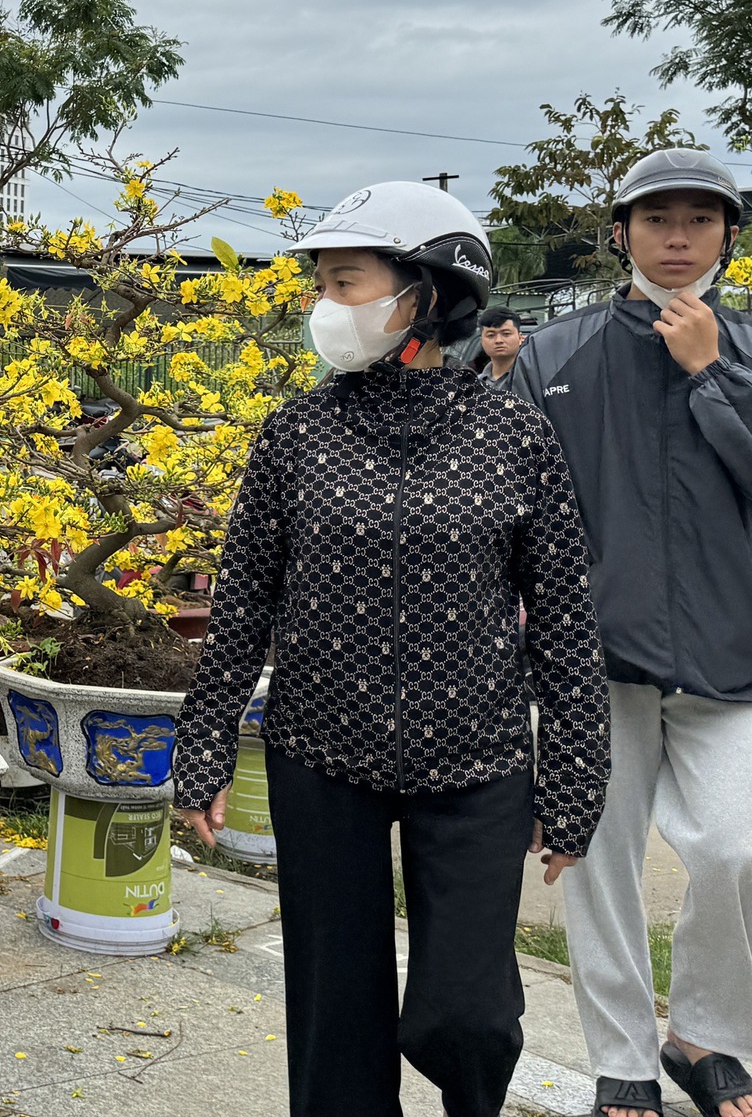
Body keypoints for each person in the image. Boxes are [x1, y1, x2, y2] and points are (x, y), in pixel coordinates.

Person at [174, 181, 610, 1117]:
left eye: (344, 282)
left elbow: (567, 619)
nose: (324, 307)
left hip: (479, 758)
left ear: (427, 291)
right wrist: (205, 745)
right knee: (337, 1018)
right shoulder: (296, 434)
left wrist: (575, 777)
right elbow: (244, 602)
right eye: (320, 285)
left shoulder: (515, 436)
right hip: (320, 752)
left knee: (468, 1016)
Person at [506, 148, 752, 1117]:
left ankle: (703, 1033)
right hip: (589, 664)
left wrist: (707, 377)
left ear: (728, 235)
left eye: (701, 218)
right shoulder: (549, 356)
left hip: (730, 658)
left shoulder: (742, 350)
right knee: (596, 862)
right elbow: (504, 506)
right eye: (657, 218)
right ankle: (617, 1056)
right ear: (620, 233)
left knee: (737, 848)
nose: (678, 237)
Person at [477, 307, 527, 385]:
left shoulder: (532, 378)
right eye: (491, 335)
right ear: (482, 341)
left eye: (506, 334)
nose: (498, 340)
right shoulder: (475, 384)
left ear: (520, 338)